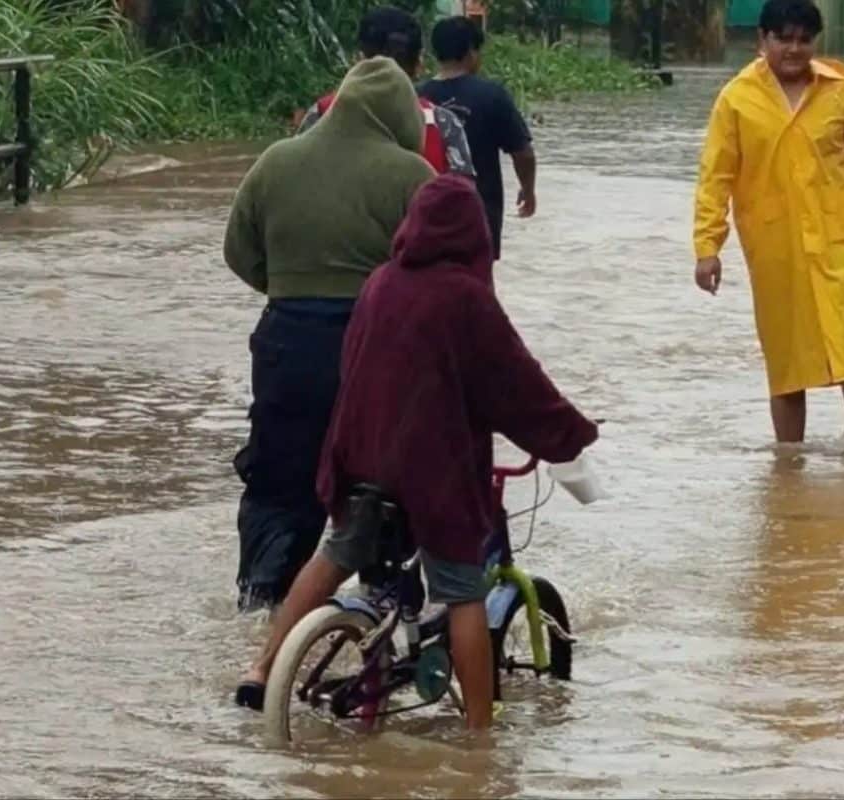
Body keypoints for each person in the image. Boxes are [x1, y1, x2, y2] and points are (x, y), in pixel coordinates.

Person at [236, 174, 599, 728]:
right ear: (474, 237)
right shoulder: (466, 298)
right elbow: (517, 386)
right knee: (462, 590)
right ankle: (481, 734)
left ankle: (261, 667)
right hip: (433, 473)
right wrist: (570, 438)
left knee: (334, 556)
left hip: (358, 457)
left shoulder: (380, 282)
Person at [223, 56, 434, 684]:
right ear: (399, 117)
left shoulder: (275, 161)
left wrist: (288, 286)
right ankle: (379, 607)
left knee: (278, 478)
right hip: (373, 348)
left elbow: (239, 253)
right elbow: (435, 274)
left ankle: (262, 600)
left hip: (285, 344)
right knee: (379, 483)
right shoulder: (411, 175)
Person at [692, 0, 844, 444]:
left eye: (803, 39)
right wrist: (707, 248)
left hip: (840, 245)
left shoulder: (839, 93)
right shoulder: (736, 99)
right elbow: (716, 177)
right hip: (776, 250)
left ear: (815, 42)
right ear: (762, 40)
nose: (794, 48)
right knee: (787, 364)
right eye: (783, 38)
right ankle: (789, 468)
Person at [297, 6, 474, 177]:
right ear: (419, 64)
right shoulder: (443, 126)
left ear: (358, 61)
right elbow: (464, 201)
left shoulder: (322, 115)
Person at [419, 16, 536, 260]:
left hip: (424, 213)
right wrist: (528, 189)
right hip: (479, 213)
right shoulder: (492, 96)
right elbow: (522, 152)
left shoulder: (416, 96)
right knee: (478, 288)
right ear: (471, 51)